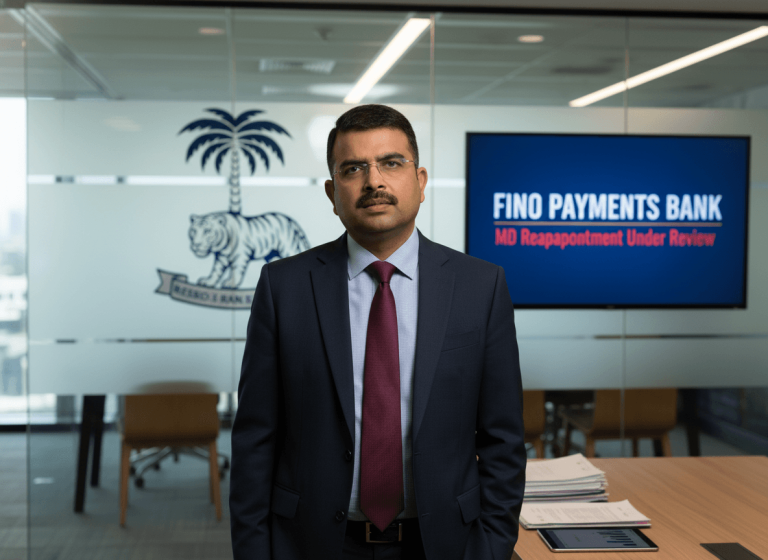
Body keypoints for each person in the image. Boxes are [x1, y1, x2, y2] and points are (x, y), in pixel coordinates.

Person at [230, 104, 526, 560]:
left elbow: (503, 440)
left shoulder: (480, 286)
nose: (374, 182)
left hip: (445, 545)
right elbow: (255, 439)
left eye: (391, 163)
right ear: (332, 193)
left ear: (420, 181)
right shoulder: (283, 286)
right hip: (311, 544)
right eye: (353, 168)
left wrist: (490, 547)